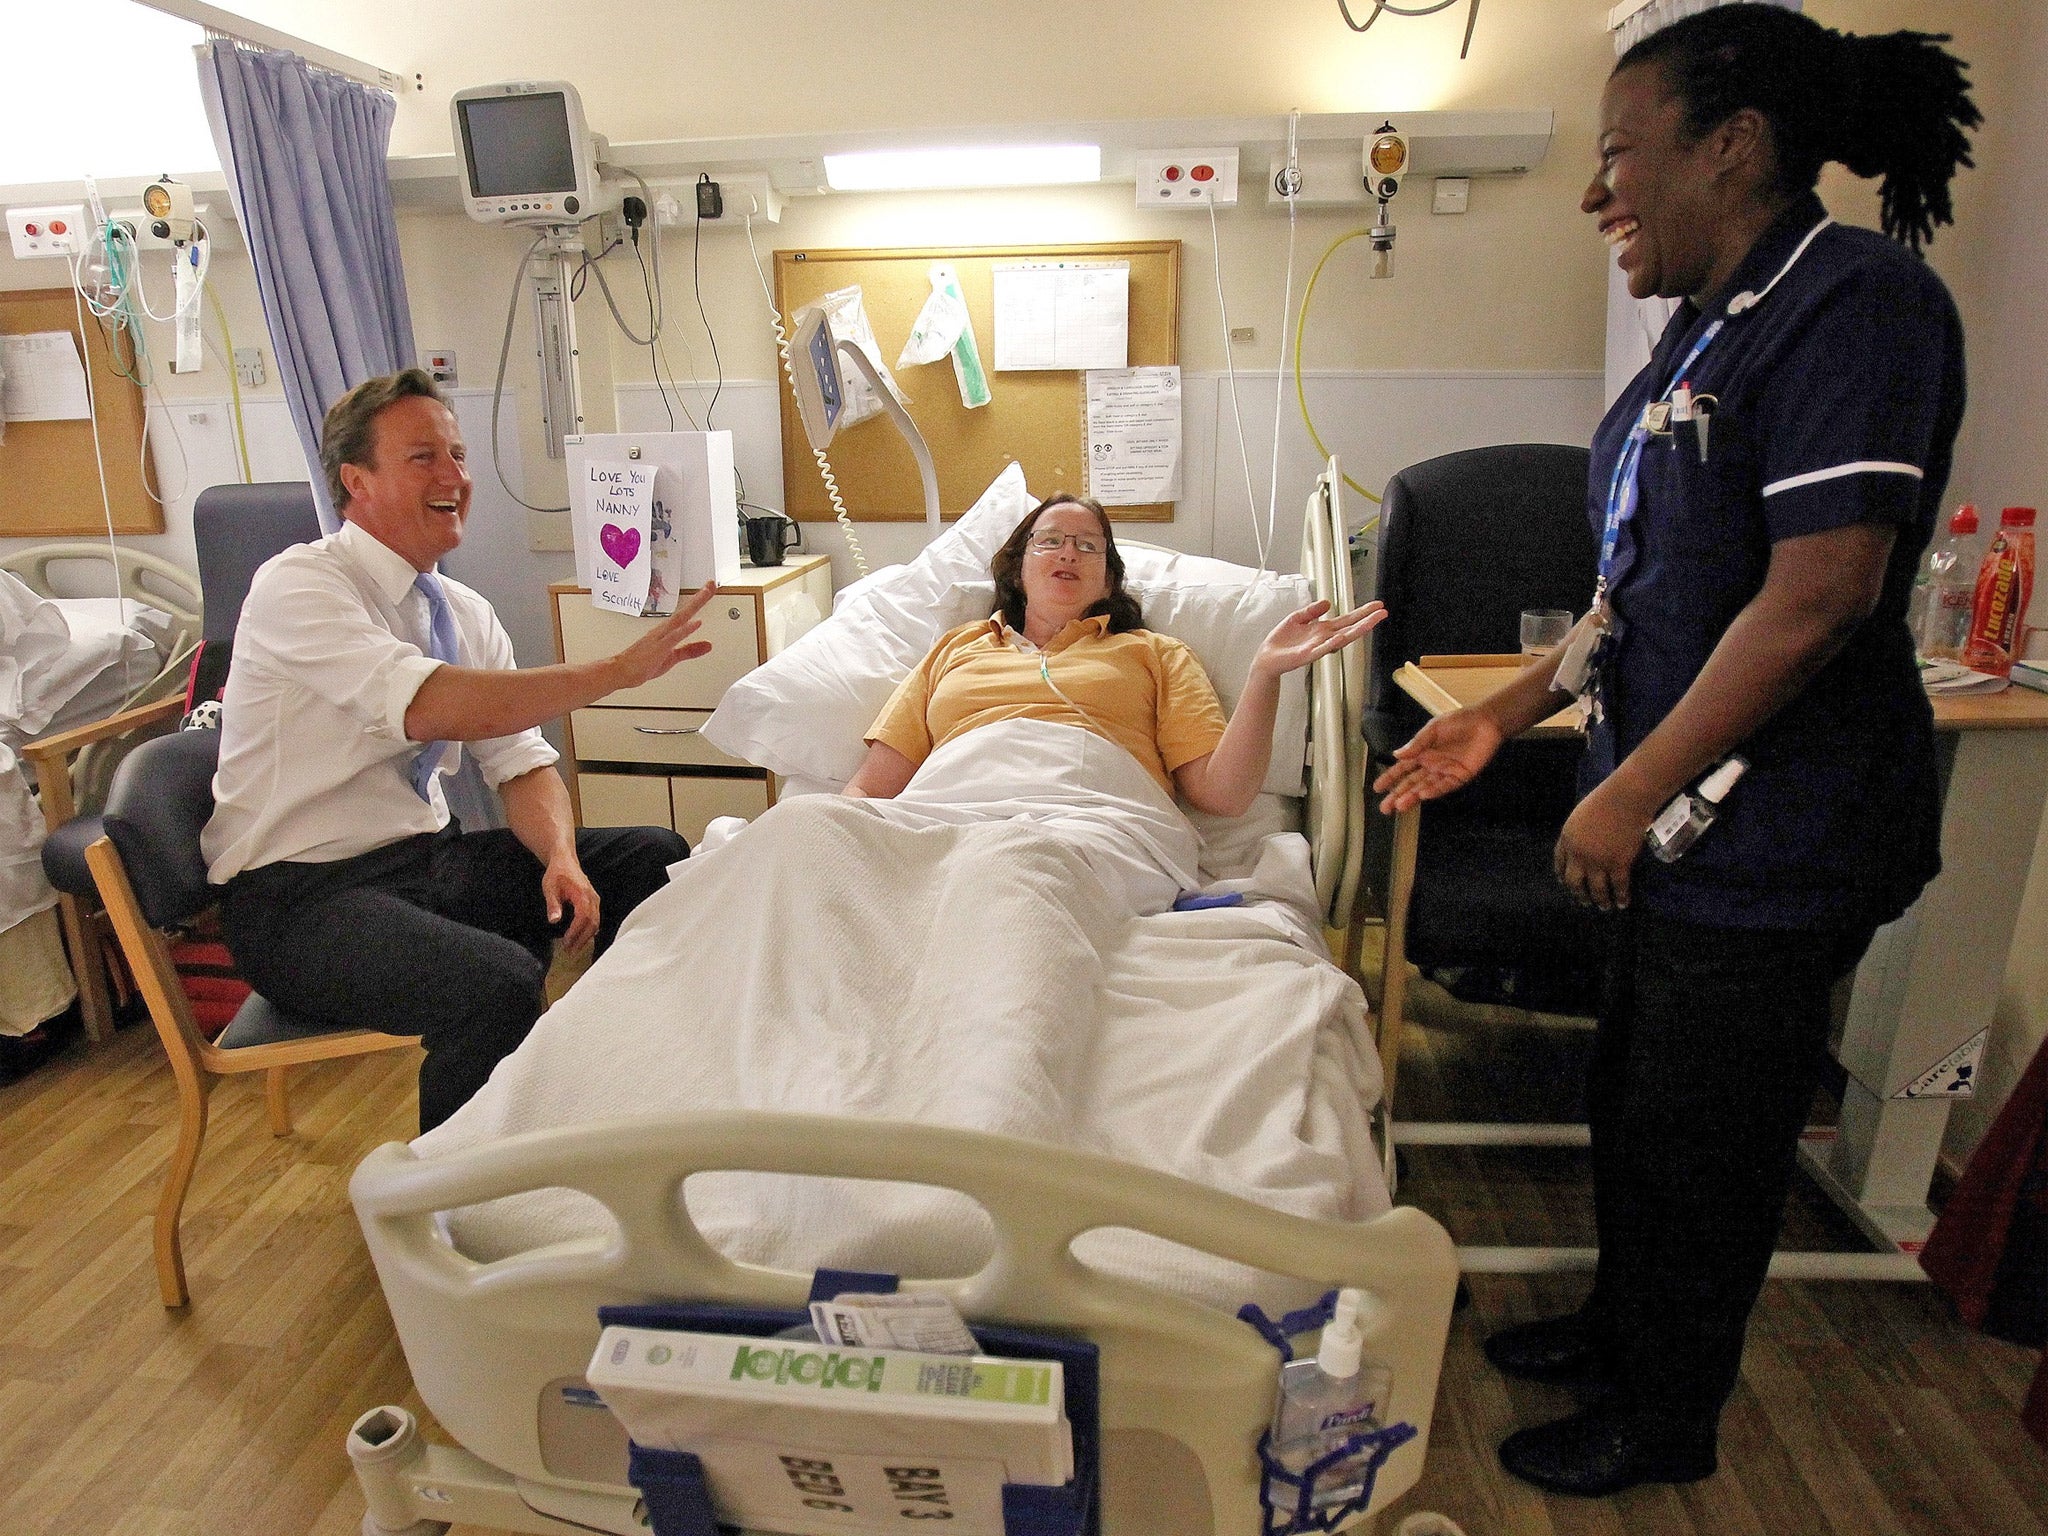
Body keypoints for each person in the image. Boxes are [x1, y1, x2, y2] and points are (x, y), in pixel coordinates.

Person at [1374, 6, 1975, 1498]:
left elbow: (1820, 591)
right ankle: (1616, 1329)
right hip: (1678, 831)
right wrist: (1507, 714)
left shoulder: (1857, 304)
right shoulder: (1713, 323)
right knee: (1637, 1107)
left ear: (1738, 147)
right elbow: (1632, 589)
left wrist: (1631, 789)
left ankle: (1668, 1416)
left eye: (1622, 154)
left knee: (1706, 1141)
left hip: (1775, 836)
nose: (1599, 195)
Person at [203, 369, 718, 1133]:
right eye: (423, 458)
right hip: (299, 899)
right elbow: (427, 705)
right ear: (358, 481)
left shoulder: (462, 611)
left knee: (653, 855)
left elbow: (520, 760)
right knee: (498, 985)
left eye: (459, 455)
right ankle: (449, 1209)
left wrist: (560, 857)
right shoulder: (301, 587)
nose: (455, 478)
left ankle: (625, 1097)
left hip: (422, 864)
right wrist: (614, 673)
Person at [843, 493, 1382, 911]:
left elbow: (1225, 795)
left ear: (1108, 580)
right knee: (794, 836)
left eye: (1088, 545)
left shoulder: (1153, 654)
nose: (1068, 552)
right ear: (1017, 567)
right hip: (949, 821)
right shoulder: (956, 648)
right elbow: (871, 787)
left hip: (1090, 828)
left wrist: (1265, 675)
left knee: (1013, 876)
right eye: (1049, 540)